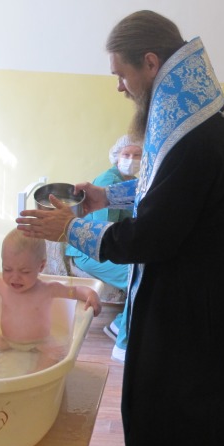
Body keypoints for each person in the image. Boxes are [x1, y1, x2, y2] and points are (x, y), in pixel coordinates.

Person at [16, 10, 224, 446]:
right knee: (208, 417)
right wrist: (107, 196)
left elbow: (152, 235)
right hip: (209, 281)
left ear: (150, 63)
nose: (119, 86)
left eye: (121, 73)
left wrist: (70, 229)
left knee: (181, 420)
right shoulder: (199, 110)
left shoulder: (193, 133)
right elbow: (169, 188)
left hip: (198, 300)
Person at [0, 230, 101, 378]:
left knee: (54, 355)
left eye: (24, 272)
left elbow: (74, 291)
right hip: (7, 340)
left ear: (41, 266)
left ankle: (35, 375)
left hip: (40, 342)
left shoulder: (47, 289)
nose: (15, 277)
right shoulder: (0, 285)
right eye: (7, 269)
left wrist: (89, 293)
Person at [64, 134, 142, 363]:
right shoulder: (109, 181)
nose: (131, 159)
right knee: (139, 275)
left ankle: (121, 325)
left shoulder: (132, 183)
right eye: (126, 154)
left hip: (109, 246)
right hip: (90, 251)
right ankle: (122, 339)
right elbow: (102, 233)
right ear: (116, 157)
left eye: (137, 155)